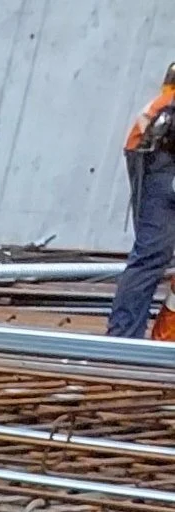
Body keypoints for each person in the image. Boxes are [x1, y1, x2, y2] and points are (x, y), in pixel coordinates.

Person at [107, 63, 175, 338]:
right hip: (161, 159)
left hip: (155, 156)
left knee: (150, 255)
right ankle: (125, 339)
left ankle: (128, 337)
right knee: (151, 255)